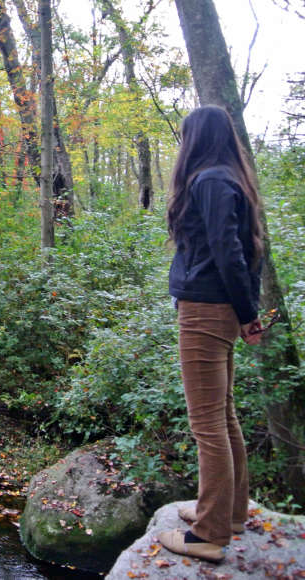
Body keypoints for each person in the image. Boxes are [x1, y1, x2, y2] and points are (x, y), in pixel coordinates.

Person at [159, 104, 265, 562]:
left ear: (196, 139)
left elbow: (229, 251)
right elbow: (239, 249)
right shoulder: (227, 178)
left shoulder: (209, 180)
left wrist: (248, 314)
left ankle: (208, 535)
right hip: (218, 308)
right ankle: (231, 514)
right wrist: (245, 313)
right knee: (223, 416)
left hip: (206, 310)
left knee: (207, 425)